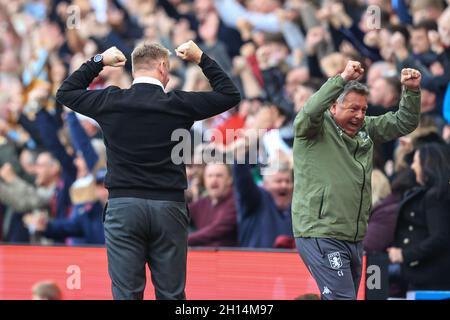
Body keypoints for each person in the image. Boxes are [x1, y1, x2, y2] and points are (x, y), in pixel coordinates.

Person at [55, 40, 241, 299]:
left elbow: (65, 92)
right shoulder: (178, 103)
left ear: (134, 69)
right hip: (168, 207)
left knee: (127, 294)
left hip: (123, 207)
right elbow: (230, 94)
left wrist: (98, 61)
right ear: (163, 67)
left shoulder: (111, 100)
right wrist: (201, 58)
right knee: (172, 295)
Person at [292, 60, 421, 300]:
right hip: (321, 232)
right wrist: (341, 78)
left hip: (352, 237)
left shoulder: (365, 129)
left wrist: (412, 91)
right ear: (332, 107)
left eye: (364, 109)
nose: (360, 115)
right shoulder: (312, 129)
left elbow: (404, 122)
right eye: (353, 108)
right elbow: (310, 110)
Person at [388, 143, 450, 293]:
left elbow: (440, 237)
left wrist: (403, 254)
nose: (413, 167)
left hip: (430, 280)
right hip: (426, 277)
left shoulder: (435, 196)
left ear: (426, 165)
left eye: (416, 162)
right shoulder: (436, 193)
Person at [188, 162, 237, 247]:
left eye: (219, 176)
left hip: (229, 258)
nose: (214, 180)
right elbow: (179, 214)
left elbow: (216, 230)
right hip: (203, 258)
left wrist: (183, 240)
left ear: (230, 179)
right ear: (204, 180)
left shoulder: (235, 202)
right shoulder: (202, 203)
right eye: (210, 176)